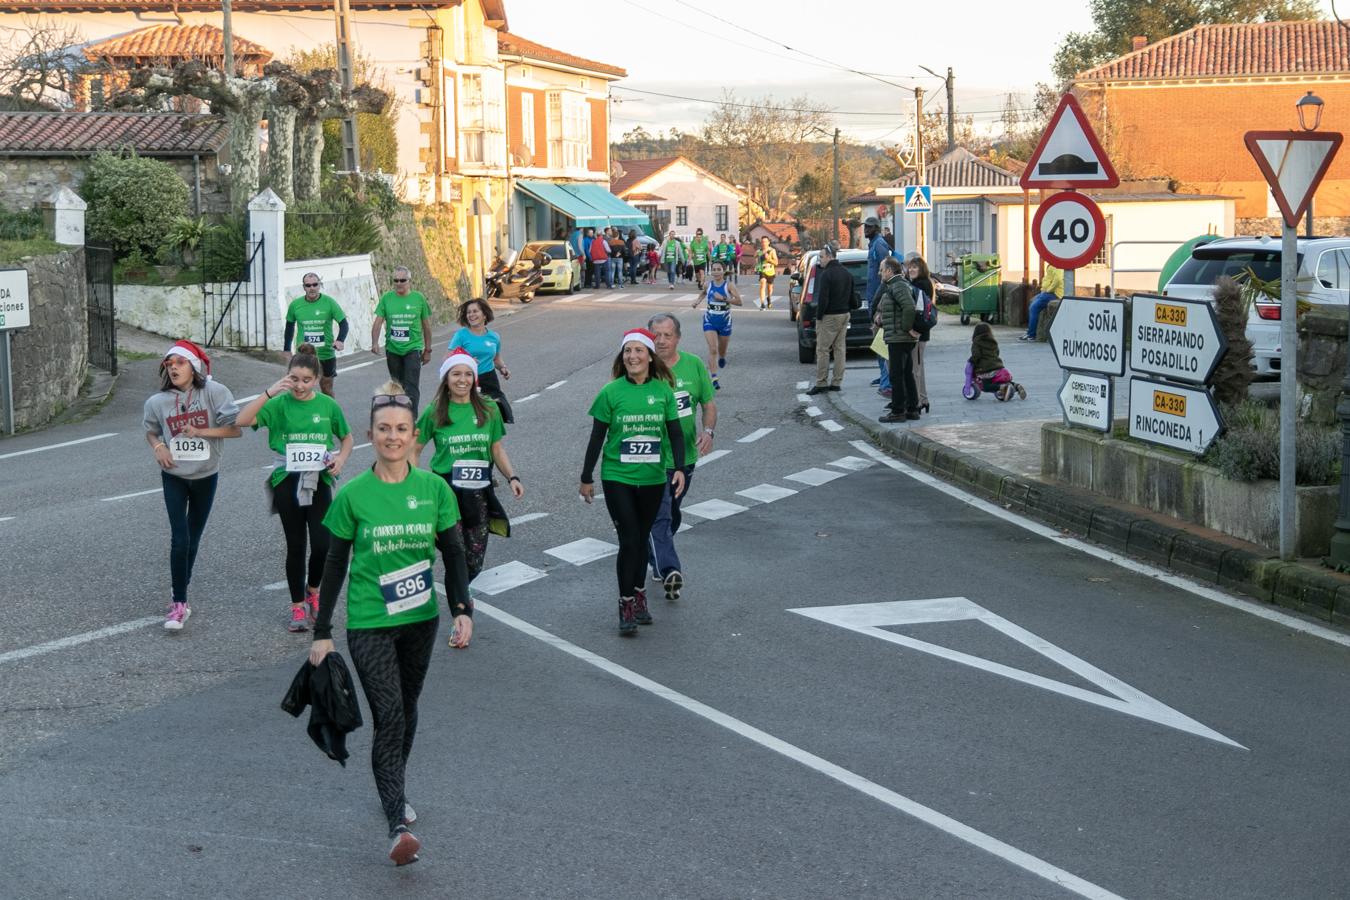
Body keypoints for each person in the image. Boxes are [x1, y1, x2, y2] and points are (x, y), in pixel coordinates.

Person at [309, 383, 474, 866]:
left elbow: (454, 552)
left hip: (421, 619)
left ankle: (393, 786)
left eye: (402, 429)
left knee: (407, 708)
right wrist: (322, 632)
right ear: (370, 435)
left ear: (413, 435)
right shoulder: (353, 496)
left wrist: (462, 609)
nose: (393, 436)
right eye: (384, 429)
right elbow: (334, 564)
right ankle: (396, 824)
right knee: (390, 714)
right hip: (370, 623)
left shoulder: (434, 490)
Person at [237, 344, 354, 632]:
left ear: (316, 379)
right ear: (286, 377)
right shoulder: (278, 403)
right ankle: (297, 606)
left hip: (318, 480)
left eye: (306, 380)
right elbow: (242, 420)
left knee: (323, 544)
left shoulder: (327, 405)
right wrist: (270, 392)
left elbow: (347, 437)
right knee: (296, 544)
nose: (299, 386)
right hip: (286, 480)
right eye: (294, 379)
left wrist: (340, 459)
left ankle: (313, 589)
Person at [579, 329, 687, 635]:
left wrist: (679, 468)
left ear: (650, 357)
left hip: (652, 477)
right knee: (629, 539)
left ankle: (639, 595)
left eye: (639, 351)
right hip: (617, 476)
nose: (632, 356)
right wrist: (586, 477)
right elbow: (597, 437)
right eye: (628, 351)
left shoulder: (663, 391)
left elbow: (675, 433)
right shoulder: (610, 392)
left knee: (640, 539)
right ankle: (626, 603)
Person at [143, 340, 241, 631]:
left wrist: (201, 431)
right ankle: (179, 604)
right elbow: (151, 431)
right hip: (174, 475)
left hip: (205, 475)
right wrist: (159, 446)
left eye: (179, 363)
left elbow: (235, 430)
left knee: (193, 538)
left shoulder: (215, 392)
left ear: (193, 366)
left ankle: (180, 585)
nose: (173, 368)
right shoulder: (157, 402)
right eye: (169, 364)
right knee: (180, 538)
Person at [414, 348, 524, 590]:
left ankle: (460, 591)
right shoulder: (434, 411)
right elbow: (415, 449)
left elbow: (496, 449)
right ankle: (460, 603)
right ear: (446, 378)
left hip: (478, 492)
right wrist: (413, 484)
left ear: (474, 378)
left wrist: (512, 477)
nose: (462, 380)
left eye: (467, 374)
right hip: (446, 491)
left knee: (473, 559)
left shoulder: (489, 408)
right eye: (456, 374)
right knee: (455, 553)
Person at [646, 313, 715, 602]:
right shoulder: (641, 367)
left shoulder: (693, 365)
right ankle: (669, 569)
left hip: (683, 457)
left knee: (672, 513)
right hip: (650, 459)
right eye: (656, 335)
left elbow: (708, 404)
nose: (661, 341)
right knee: (659, 516)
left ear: (678, 338)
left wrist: (708, 431)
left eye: (667, 335)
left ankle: (655, 553)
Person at [371, 267, 433, 411]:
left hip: (413, 348)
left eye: (402, 280)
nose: (399, 283)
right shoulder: (387, 298)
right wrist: (374, 342)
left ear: (409, 281)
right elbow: (378, 322)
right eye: (396, 280)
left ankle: (412, 417)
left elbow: (426, 326)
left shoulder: (418, 298)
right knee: (397, 386)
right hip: (393, 349)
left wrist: (428, 350)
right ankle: (400, 413)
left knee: (411, 385)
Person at [448, 297, 513, 424]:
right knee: (470, 416)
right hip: (467, 379)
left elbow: (496, 358)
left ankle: (492, 435)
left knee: (497, 412)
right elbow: (448, 358)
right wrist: (466, 359)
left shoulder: (494, 337)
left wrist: (503, 368)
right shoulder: (461, 335)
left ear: (484, 314)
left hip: (489, 378)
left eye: (475, 311)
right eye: (468, 312)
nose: (471, 315)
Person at [284, 273, 348, 397]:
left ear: (319, 285)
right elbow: (289, 327)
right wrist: (287, 349)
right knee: (300, 388)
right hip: (304, 355)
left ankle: (330, 409)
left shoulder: (329, 302)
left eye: (315, 284)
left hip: (325, 354)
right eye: (308, 285)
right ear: (304, 287)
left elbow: (343, 323)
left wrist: (340, 340)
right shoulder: (295, 305)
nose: (312, 288)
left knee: (326, 388)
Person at [874, 257, 920, 423]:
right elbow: (896, 310)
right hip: (899, 337)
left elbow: (909, 307)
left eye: (881, 270)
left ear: (889, 271)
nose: (879, 273)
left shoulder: (898, 285)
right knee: (906, 374)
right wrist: (881, 319)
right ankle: (912, 408)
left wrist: (907, 328)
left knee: (896, 375)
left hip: (899, 338)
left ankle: (898, 411)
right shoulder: (895, 285)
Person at [806, 242, 854, 395]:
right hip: (844, 314)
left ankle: (821, 382)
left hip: (829, 315)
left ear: (829, 256)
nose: (820, 260)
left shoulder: (827, 274)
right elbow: (852, 297)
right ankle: (836, 382)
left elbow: (823, 299)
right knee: (840, 349)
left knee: (823, 349)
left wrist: (819, 317)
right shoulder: (846, 273)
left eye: (821, 257)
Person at [691, 260, 742, 391]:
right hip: (710, 320)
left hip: (725, 321)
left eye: (719, 269)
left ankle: (722, 356)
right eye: (714, 269)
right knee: (713, 349)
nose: (716, 272)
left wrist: (723, 298)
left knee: (721, 350)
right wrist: (697, 301)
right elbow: (704, 293)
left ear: (723, 271)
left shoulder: (729, 285)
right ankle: (714, 377)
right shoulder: (708, 284)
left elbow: (739, 302)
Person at [864, 216, 899, 396]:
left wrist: (881, 302)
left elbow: (886, 275)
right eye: (865, 226)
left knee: (881, 342)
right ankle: (883, 376)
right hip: (874, 299)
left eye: (869, 227)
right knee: (877, 343)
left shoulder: (879, 245)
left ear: (877, 229)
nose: (866, 229)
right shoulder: (873, 244)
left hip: (880, 302)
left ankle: (886, 382)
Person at [906, 252, 936, 413]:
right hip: (921, 332)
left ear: (921, 269)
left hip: (918, 332)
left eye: (914, 267)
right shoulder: (923, 283)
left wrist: (915, 330)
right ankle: (923, 399)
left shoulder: (920, 285)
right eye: (909, 267)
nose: (911, 270)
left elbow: (918, 311)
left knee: (915, 369)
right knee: (919, 367)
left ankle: (917, 401)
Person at [971, 322, 1028, 400]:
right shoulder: (993, 341)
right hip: (998, 367)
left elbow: (976, 355)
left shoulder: (976, 342)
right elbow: (997, 353)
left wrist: (971, 361)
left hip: (986, 370)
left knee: (985, 386)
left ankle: (1003, 387)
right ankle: (1016, 386)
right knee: (998, 382)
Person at [1020, 262, 1064, 341]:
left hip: (1054, 294)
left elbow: (1058, 279)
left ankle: (1031, 335)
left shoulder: (1056, 264)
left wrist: (1049, 290)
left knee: (1033, 307)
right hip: (1047, 292)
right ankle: (1030, 331)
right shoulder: (1053, 264)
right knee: (1032, 302)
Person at [755, 236, 778, 310]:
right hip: (762, 271)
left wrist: (769, 259)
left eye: (765, 242)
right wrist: (756, 262)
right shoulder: (759, 251)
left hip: (771, 272)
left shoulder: (772, 251)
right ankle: (762, 304)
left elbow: (776, 263)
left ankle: (769, 297)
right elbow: (756, 259)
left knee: (770, 288)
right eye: (762, 242)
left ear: (768, 242)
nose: (764, 243)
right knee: (762, 284)